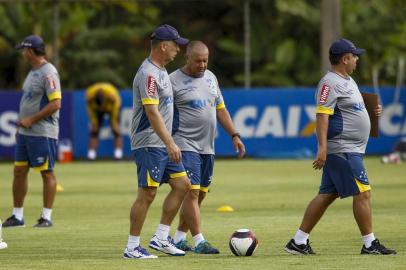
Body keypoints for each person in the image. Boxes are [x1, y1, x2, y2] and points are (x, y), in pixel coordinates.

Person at [284, 38, 396, 255]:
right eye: (354, 56)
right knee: (363, 193)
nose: (357, 59)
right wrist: (322, 148)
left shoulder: (347, 80)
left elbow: (351, 107)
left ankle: (298, 242)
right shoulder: (329, 82)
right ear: (345, 59)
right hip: (343, 148)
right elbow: (322, 115)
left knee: (327, 194)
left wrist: (372, 112)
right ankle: (369, 244)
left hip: (350, 148)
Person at [169, 41, 246, 254]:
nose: (202, 65)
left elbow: (221, 109)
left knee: (200, 194)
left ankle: (178, 238)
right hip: (184, 144)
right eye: (198, 61)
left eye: (205, 60)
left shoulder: (211, 77)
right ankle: (200, 241)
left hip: (207, 147)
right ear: (187, 58)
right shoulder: (172, 81)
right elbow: (161, 113)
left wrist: (234, 134)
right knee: (191, 193)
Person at [123, 24, 191, 259]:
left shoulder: (161, 70)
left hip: (162, 142)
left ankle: (161, 238)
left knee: (183, 185)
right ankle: (132, 247)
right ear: (163, 46)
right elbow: (152, 112)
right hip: (149, 142)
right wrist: (170, 142)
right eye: (175, 45)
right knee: (147, 193)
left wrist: (170, 141)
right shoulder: (148, 74)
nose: (178, 50)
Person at [2, 35, 62, 228]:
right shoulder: (32, 72)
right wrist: (23, 126)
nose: (22, 53)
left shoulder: (49, 72)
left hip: (43, 132)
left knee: (46, 172)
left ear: (30, 51)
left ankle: (46, 217)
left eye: (24, 50)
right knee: (19, 171)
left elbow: (56, 103)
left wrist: (30, 120)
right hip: (26, 133)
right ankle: (17, 216)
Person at [85, 82, 122, 160]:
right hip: (96, 110)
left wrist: (114, 122)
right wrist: (94, 122)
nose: (102, 109)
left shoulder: (112, 97)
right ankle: (91, 154)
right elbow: (90, 111)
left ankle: (118, 154)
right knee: (94, 130)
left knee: (116, 129)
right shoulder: (89, 97)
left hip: (112, 107)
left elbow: (116, 108)